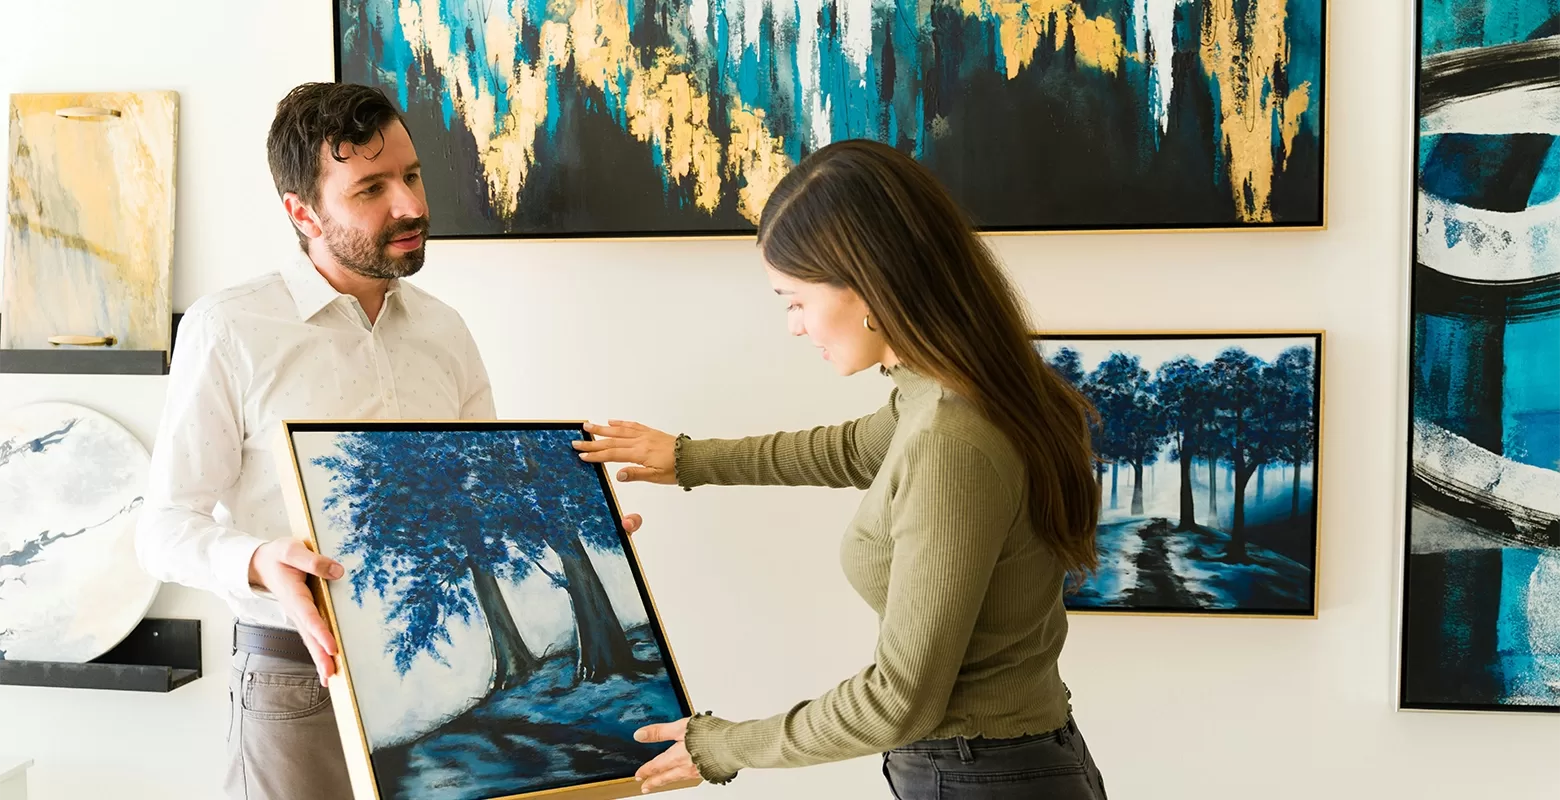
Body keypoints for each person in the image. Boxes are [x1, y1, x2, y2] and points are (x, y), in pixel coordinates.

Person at [132, 82, 643, 799]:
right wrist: (256, 558)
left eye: (410, 175)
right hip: (294, 679)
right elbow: (159, 529)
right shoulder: (229, 329)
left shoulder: (445, 330)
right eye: (370, 188)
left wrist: (568, 526)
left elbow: (480, 498)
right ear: (301, 212)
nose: (410, 206)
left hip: (433, 680)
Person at [574, 139, 1109, 799]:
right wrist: (685, 458)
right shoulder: (952, 391)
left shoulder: (952, 440)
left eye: (793, 299)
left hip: (981, 775)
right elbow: (855, 449)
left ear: (868, 284)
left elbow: (897, 701)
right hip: (1010, 764)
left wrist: (719, 744)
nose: (795, 326)